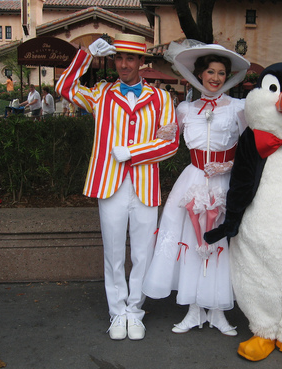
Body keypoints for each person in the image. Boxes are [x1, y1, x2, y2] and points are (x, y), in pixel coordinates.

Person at [56, 33, 179, 341]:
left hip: (145, 185)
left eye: (130, 58)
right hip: (109, 183)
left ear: (141, 62)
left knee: (142, 253)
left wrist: (133, 152)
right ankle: (117, 312)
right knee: (113, 253)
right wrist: (84, 56)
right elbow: (63, 88)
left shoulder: (162, 98)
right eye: (118, 58)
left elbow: (171, 144)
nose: (123, 65)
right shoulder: (101, 94)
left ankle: (135, 311)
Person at [143, 41, 250, 336]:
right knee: (192, 243)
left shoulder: (239, 109)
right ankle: (193, 310)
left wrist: (228, 166)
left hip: (224, 185)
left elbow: (251, 150)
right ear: (199, 74)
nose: (215, 78)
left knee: (219, 244)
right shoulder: (184, 109)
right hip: (191, 181)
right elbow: (164, 140)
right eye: (210, 72)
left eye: (221, 73)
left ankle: (217, 312)